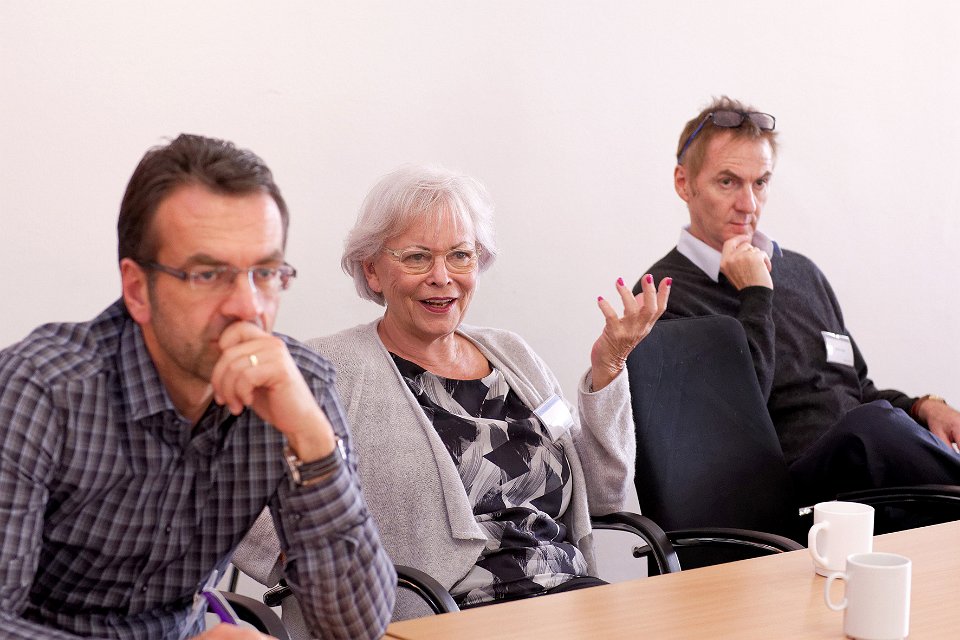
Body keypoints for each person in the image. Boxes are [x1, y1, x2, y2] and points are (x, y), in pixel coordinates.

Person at [235, 165, 670, 626]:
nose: (442, 277)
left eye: (460, 255)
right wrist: (306, 562)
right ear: (372, 270)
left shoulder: (513, 354)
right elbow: (234, 487)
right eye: (417, 257)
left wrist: (608, 368)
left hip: (570, 599)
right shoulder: (329, 368)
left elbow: (604, 495)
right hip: (441, 614)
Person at [0, 134, 395, 639]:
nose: (248, 306)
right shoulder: (41, 390)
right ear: (137, 289)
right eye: (208, 274)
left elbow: (354, 628)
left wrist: (313, 442)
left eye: (265, 272)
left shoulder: (295, 387)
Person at [638, 96, 960, 503]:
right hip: (772, 500)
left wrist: (922, 407)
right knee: (873, 428)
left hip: (862, 491)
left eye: (760, 183)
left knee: (887, 427)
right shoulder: (662, 296)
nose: (748, 205)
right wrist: (755, 295)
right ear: (684, 183)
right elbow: (729, 429)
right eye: (728, 182)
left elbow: (854, 389)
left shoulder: (801, 272)